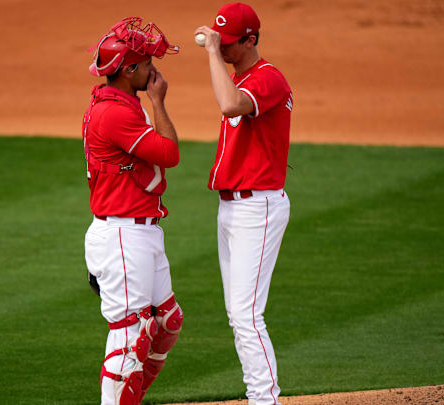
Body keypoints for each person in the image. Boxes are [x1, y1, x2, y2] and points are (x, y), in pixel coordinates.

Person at [194, 3, 293, 405]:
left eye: (232, 44)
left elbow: (230, 104)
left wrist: (212, 52)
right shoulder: (240, 76)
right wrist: (219, 53)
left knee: (248, 315)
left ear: (251, 40)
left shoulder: (269, 79)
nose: (226, 49)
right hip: (232, 208)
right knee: (238, 315)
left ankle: (264, 400)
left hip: (259, 208)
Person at [82, 17, 184, 405]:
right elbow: (169, 153)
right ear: (128, 70)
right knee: (130, 335)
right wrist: (159, 101)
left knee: (165, 322)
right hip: (123, 236)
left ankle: (130, 399)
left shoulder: (119, 102)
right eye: (145, 63)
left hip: (140, 231)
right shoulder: (116, 114)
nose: (153, 69)